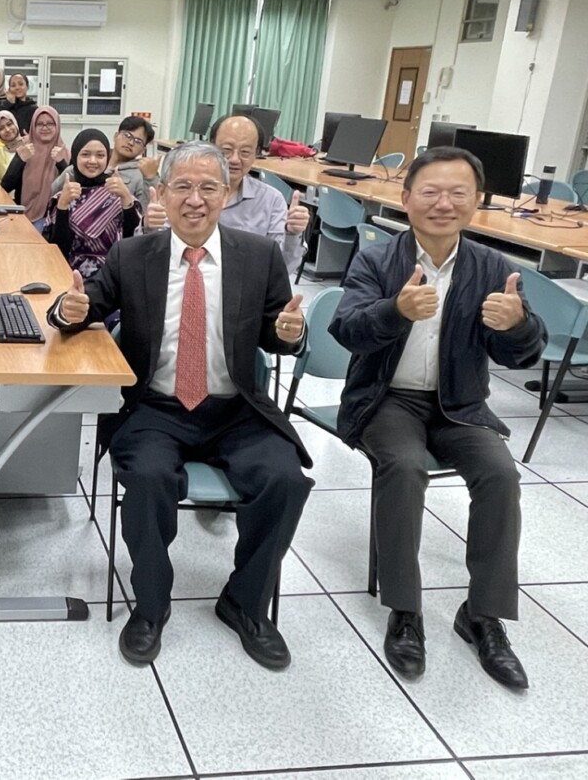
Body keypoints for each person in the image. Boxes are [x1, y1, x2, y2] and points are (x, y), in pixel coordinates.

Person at [48, 141, 313, 669]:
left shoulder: (256, 255)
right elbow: (85, 305)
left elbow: (275, 329)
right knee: (147, 480)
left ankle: (245, 603)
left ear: (226, 193)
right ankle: (151, 606)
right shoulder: (133, 255)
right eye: (183, 187)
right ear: (163, 193)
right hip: (156, 408)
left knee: (285, 480)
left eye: (209, 187)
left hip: (236, 409)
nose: (196, 199)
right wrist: (67, 309)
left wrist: (290, 333)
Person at [330, 146, 546, 691]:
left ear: (477, 201)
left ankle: (483, 615)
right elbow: (347, 329)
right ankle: (406, 611)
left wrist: (517, 325)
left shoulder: (493, 267)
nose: (443, 203)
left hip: (460, 405)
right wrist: (395, 311)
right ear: (406, 199)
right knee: (404, 467)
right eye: (430, 192)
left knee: (501, 475)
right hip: (387, 399)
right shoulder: (377, 260)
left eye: (457, 193)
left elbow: (522, 356)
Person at [145, 114, 308, 275]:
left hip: (244, 284)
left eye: (245, 152)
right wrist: (149, 227)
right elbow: (149, 257)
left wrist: (292, 234)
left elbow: (281, 269)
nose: (235, 159)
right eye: (226, 150)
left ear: (256, 153)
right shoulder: (182, 191)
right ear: (211, 146)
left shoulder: (271, 200)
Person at [44, 129, 140, 278]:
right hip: (68, 276)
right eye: (85, 154)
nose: (93, 161)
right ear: (75, 156)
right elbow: (58, 250)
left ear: (107, 158)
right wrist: (62, 207)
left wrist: (126, 199)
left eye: (100, 155)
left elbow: (134, 243)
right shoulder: (63, 196)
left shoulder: (118, 193)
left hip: (111, 278)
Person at [0, 105, 68, 229]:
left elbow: (73, 187)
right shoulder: (25, 149)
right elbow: (5, 186)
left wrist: (61, 163)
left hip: (51, 218)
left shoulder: (64, 153)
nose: (45, 128)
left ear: (57, 126)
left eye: (50, 124)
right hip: (22, 214)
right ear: (33, 126)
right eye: (40, 124)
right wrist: (21, 160)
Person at [110, 115, 161, 209]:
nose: (131, 143)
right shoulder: (98, 160)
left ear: (143, 150)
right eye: (127, 136)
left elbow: (145, 211)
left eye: (138, 141)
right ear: (116, 136)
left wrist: (151, 179)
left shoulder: (142, 174)